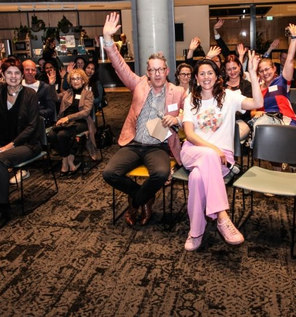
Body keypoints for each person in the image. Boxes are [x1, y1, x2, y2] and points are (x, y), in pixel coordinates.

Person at [102, 12, 186, 227]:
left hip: (158, 146)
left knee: (161, 173)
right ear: (147, 72)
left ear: (167, 70)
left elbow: (191, 115)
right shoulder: (138, 84)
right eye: (152, 70)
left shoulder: (178, 92)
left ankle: (134, 202)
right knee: (109, 173)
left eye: (160, 69)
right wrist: (108, 40)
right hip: (133, 144)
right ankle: (145, 198)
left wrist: (178, 119)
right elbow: (119, 65)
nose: (157, 73)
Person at [181, 51, 263, 251]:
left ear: (217, 77)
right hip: (193, 151)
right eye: (202, 74)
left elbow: (258, 103)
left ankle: (196, 232)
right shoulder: (190, 99)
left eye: (210, 73)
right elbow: (190, 135)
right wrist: (212, 149)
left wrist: (251, 73)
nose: (206, 77)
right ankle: (222, 216)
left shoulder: (229, 96)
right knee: (207, 157)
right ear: (197, 78)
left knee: (197, 178)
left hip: (222, 159)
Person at [0, 57, 42, 228]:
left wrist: (8, 147)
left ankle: (3, 208)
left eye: (17, 73)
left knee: (1, 160)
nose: (13, 76)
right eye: (9, 72)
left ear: (22, 75)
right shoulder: (0, 92)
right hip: (3, 144)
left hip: (27, 144)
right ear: (2, 74)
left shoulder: (29, 94)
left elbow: (32, 126)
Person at [249, 23, 296, 137]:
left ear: (274, 68)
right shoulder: (258, 89)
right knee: (261, 126)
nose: (265, 73)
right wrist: (259, 113)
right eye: (261, 71)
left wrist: (294, 39)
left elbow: (290, 60)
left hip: (286, 121)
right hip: (265, 124)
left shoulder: (282, 81)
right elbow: (252, 112)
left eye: (267, 69)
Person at [47, 68, 96, 175]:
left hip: (82, 122)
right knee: (51, 135)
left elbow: (86, 112)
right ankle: (67, 158)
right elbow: (54, 98)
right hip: (66, 123)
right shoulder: (67, 93)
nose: (75, 81)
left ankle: (65, 162)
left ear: (83, 80)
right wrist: (51, 85)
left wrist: (68, 118)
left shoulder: (88, 94)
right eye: (73, 79)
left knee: (62, 135)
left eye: (78, 78)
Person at [223, 54, 252, 141]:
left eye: (234, 68)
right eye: (229, 69)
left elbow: (247, 110)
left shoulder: (247, 85)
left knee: (230, 138)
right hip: (223, 121)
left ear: (239, 67)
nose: (232, 72)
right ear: (225, 70)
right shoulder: (221, 85)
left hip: (241, 121)